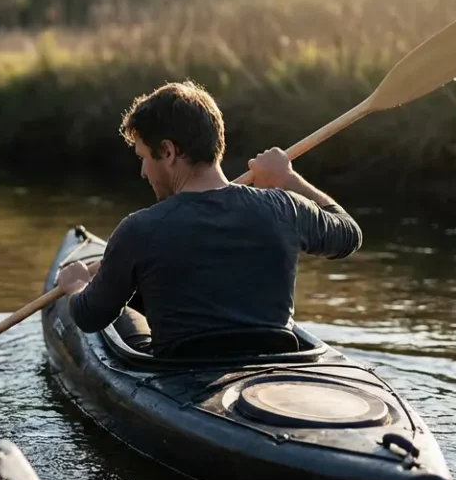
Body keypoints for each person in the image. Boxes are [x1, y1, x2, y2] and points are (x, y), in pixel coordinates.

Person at [55, 80, 362, 357]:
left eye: (144, 157)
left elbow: (89, 316)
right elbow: (349, 233)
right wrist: (289, 180)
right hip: (271, 358)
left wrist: (76, 286)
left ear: (168, 151)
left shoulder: (139, 229)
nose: (143, 172)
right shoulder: (284, 207)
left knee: (121, 309)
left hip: (181, 372)